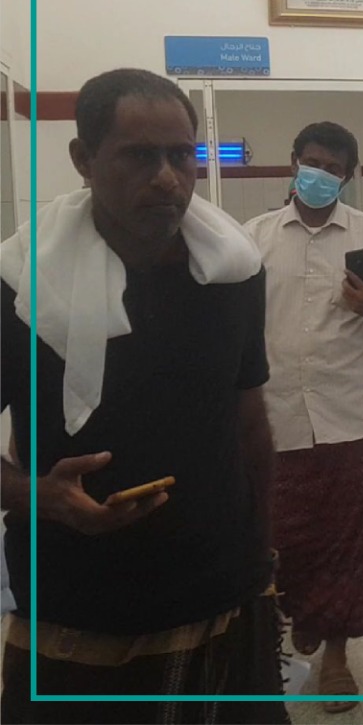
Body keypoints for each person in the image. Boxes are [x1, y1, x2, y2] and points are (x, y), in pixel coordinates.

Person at [0, 68, 288, 724]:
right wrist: (41, 496)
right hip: (78, 612)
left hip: (222, 595)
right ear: (83, 159)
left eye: (182, 155)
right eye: (139, 156)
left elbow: (248, 421)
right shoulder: (21, 287)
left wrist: (262, 556)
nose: (167, 178)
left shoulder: (233, 270)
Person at [242, 121, 363, 714]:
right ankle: (299, 620)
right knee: (278, 540)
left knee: (348, 544)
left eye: (333, 168)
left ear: (349, 176)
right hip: (274, 419)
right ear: (294, 162)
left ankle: (336, 657)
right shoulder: (253, 239)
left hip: (353, 418)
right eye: (312, 162)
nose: (320, 175)